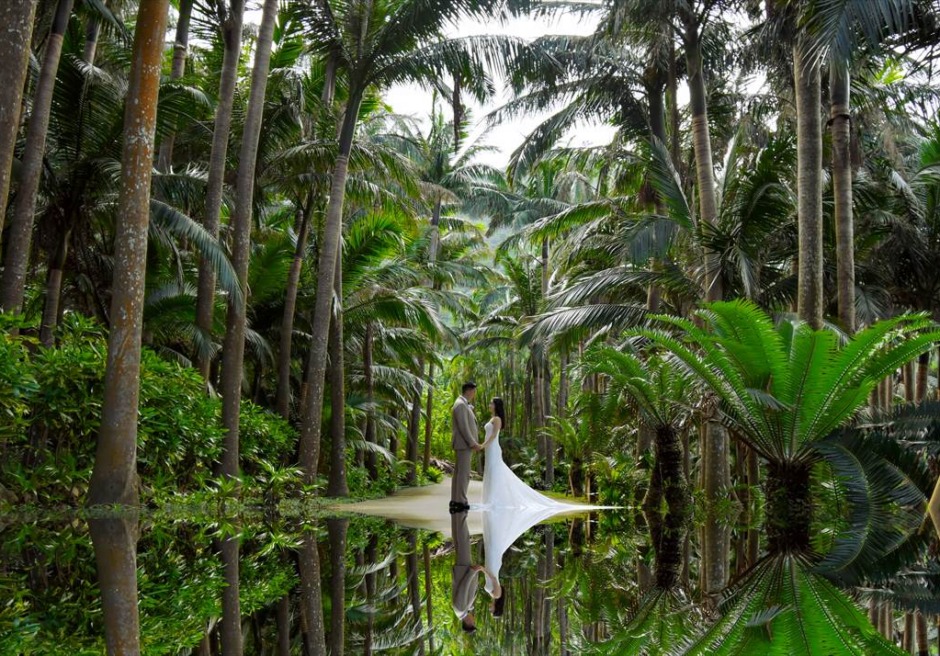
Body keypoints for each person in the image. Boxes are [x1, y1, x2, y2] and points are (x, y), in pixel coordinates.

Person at [480, 396, 574, 509]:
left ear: (496, 406)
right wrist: (484, 446)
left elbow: (494, 435)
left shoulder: (497, 419)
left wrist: (482, 445)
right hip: (489, 449)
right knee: (490, 471)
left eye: (491, 403)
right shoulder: (492, 418)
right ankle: (490, 499)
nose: (490, 405)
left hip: (493, 448)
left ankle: (495, 499)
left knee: (495, 472)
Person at [451, 382, 483, 514]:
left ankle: (456, 500)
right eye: (474, 391)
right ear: (469, 391)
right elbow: (464, 427)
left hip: (463, 444)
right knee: (463, 474)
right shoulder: (460, 405)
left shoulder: (462, 404)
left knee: (460, 474)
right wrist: (472, 443)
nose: (474, 395)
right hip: (463, 445)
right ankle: (461, 502)